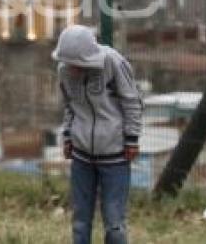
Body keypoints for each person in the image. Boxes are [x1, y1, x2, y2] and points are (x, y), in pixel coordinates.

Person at [55, 25, 143, 244]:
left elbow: (132, 101)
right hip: (81, 156)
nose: (72, 68)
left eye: (76, 63)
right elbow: (69, 105)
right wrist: (68, 136)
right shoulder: (63, 71)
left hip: (115, 156)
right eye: (68, 62)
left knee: (114, 222)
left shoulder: (114, 63)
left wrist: (132, 138)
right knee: (80, 220)